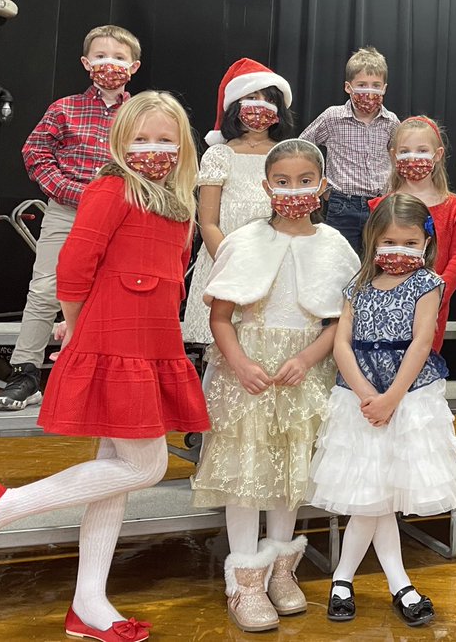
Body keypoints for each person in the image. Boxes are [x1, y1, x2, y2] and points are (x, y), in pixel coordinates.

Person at [0, 92, 208, 642]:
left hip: (150, 342)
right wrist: (78, 325)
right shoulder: (110, 189)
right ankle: (2, 504)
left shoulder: (178, 205)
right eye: (141, 138)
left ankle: (88, 603)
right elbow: (75, 265)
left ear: (183, 146)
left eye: (165, 139)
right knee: (145, 467)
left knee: (115, 475)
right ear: (119, 142)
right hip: (113, 340)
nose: (153, 149)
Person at [191, 139, 359, 632]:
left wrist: (308, 357)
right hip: (248, 375)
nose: (293, 191)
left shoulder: (335, 246)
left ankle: (282, 569)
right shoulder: (243, 240)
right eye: (282, 183)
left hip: (302, 374)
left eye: (305, 181)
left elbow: (338, 321)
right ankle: (244, 579)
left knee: (291, 471)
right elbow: (221, 316)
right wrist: (239, 362)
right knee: (246, 471)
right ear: (266, 187)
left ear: (322, 186)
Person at [308, 194, 456, 627]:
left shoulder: (427, 284)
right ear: (373, 239)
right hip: (358, 398)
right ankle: (398, 583)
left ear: (426, 244)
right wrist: (366, 395)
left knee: (375, 499)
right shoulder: (356, 286)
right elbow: (340, 342)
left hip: (408, 397)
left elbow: (421, 342)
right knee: (373, 497)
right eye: (390, 242)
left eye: (410, 243)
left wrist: (392, 398)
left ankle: (345, 578)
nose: (399, 251)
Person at [0, 25, 142, 411]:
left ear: (134, 66)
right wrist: (72, 191)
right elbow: (36, 153)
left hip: (122, 216)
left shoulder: (140, 114)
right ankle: (25, 373)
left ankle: (102, 376)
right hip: (67, 210)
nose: (110, 63)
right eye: (102, 55)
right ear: (86, 62)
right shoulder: (64, 108)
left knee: (115, 294)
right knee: (44, 290)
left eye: (119, 57)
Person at [182, 58, 294, 344]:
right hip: (224, 263)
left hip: (274, 265)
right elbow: (208, 222)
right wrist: (232, 264)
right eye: (252, 97)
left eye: (268, 99)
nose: (260, 106)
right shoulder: (219, 155)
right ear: (236, 105)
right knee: (221, 348)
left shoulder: (285, 156)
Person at [368, 116, 456, 351]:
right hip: (388, 302)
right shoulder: (382, 205)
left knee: (423, 363)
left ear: (437, 154)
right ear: (394, 156)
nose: (413, 157)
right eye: (405, 151)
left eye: (422, 150)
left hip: (435, 304)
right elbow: (374, 256)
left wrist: (435, 299)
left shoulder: (454, 207)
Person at [299, 46, 399, 254]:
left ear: (385, 89)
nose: (369, 92)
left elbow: (398, 158)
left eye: (375, 86)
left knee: (376, 262)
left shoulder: (391, 122)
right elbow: (303, 148)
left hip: (380, 205)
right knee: (339, 262)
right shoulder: (332, 117)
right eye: (362, 85)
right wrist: (323, 189)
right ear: (348, 87)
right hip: (342, 205)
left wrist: (392, 191)